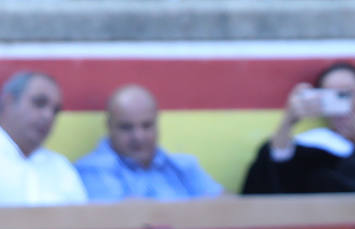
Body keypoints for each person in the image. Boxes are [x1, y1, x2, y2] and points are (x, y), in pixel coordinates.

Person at [241, 61, 355, 199]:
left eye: (347, 94)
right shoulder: (310, 150)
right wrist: (288, 121)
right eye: (331, 96)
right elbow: (273, 183)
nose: (341, 103)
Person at [75, 84, 223, 201]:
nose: (138, 136)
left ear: (157, 124)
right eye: (126, 127)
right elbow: (122, 221)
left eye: (146, 126)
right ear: (109, 126)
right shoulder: (93, 169)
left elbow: (228, 207)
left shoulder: (183, 166)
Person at [0, 70, 87, 206]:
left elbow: (83, 223)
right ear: (9, 101)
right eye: (39, 103)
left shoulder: (60, 167)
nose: (48, 116)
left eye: (55, 110)